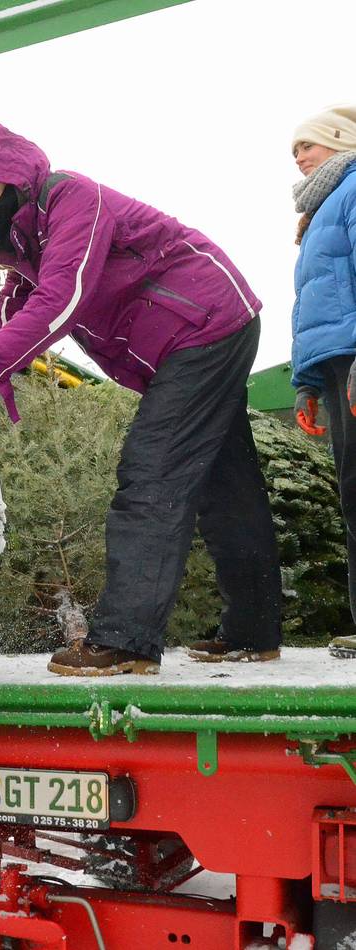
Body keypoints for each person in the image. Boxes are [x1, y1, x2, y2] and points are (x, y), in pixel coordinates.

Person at [0, 122, 282, 676]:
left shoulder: (73, 199)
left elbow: (61, 298)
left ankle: (126, 639)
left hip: (205, 322)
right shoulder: (25, 239)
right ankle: (254, 630)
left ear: (6, 174)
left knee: (153, 470)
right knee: (225, 482)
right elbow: (8, 320)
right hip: (193, 336)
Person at [288, 105, 356, 660]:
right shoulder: (315, 217)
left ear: (340, 142)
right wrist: (307, 381)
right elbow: (313, 304)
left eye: (307, 146)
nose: (299, 157)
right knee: (352, 490)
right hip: (335, 365)